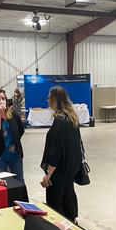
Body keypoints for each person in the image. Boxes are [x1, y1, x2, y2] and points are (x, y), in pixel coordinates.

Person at [40, 86, 83, 222]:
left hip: (59, 172)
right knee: (68, 197)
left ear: (54, 100)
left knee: (56, 204)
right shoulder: (72, 118)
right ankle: (72, 222)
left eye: (49, 98)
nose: (47, 100)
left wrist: (48, 175)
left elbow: (56, 152)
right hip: (70, 169)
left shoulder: (59, 121)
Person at [0, 89, 25, 183]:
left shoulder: (13, 115)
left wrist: (13, 141)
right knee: (1, 182)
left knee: (19, 181)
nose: (1, 101)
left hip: (15, 155)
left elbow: (21, 130)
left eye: (3, 98)